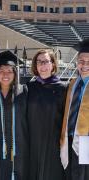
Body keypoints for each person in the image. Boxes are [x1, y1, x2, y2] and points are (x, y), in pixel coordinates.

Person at [0, 50, 29, 180]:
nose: (5, 74)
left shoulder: (23, 92)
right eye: (2, 70)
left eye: (10, 71)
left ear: (15, 73)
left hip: (19, 150)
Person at [27, 49, 67, 180]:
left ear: (53, 64)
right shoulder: (28, 88)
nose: (42, 65)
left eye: (46, 62)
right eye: (39, 62)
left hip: (53, 143)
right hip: (32, 143)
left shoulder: (63, 89)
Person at [60, 39, 89, 180]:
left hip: (86, 142)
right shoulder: (72, 84)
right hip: (69, 138)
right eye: (81, 61)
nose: (85, 65)